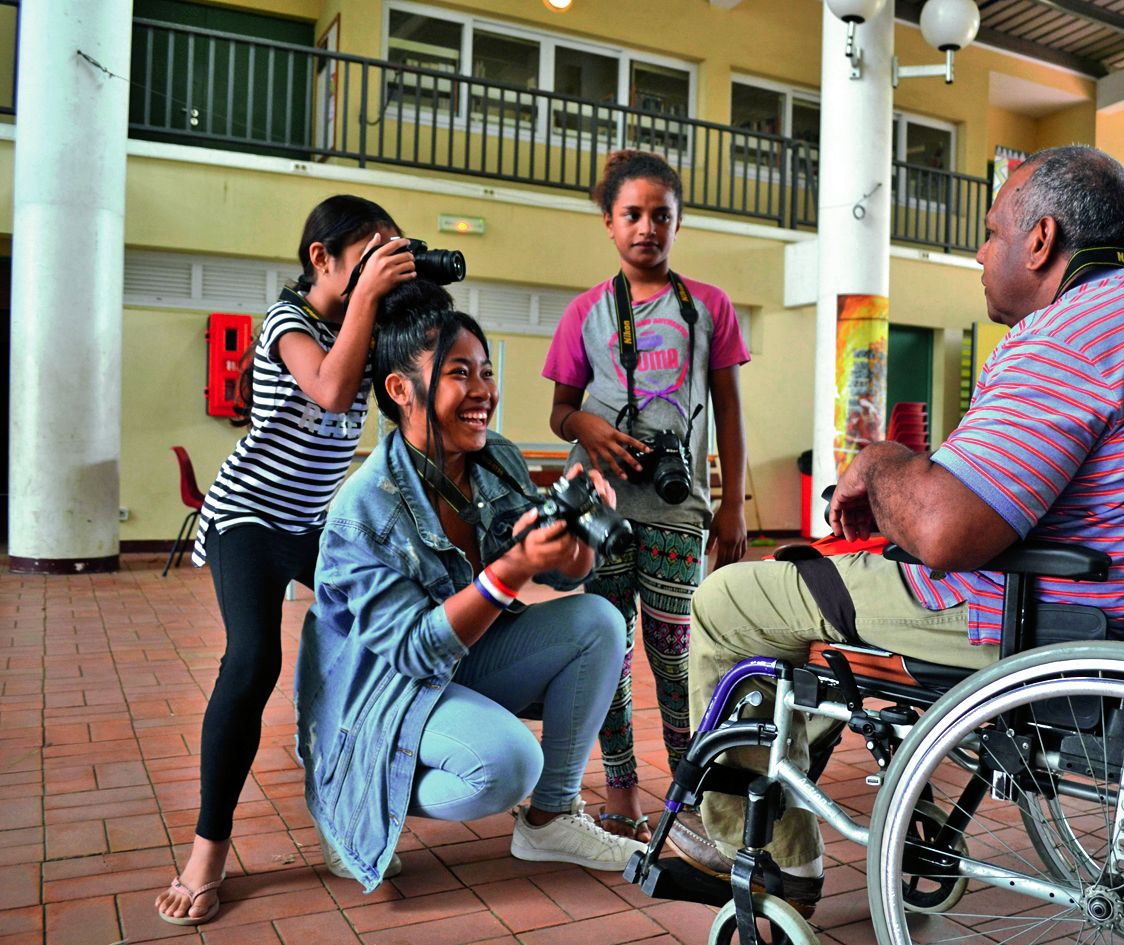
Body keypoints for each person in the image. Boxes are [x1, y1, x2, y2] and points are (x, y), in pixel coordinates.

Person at [665, 146, 1124, 917]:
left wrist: (883, 461)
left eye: (992, 231)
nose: (979, 249)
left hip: (1026, 614)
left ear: (1041, 240)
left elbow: (944, 531)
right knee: (817, 605)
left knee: (731, 600)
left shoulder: (1072, 335)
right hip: (1120, 607)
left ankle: (764, 855)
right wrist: (911, 481)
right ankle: (885, 804)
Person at [294, 285, 646, 894]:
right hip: (381, 692)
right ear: (401, 390)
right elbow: (414, 652)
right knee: (508, 765)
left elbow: (565, 575)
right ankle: (347, 789)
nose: (484, 390)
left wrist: (580, 538)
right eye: (461, 373)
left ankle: (551, 818)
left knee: (599, 622)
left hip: (456, 663)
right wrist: (509, 571)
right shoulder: (364, 510)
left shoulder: (495, 460)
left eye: (487, 371)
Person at [156, 195, 415, 926]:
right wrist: (368, 296)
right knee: (251, 662)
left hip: (312, 523)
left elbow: (403, 400)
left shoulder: (363, 326)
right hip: (245, 515)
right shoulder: (288, 321)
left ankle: (347, 809)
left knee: (381, 637)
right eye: (369, 254)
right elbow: (332, 390)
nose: (377, 270)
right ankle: (209, 847)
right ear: (322, 258)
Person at [542, 150, 751, 841]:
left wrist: (730, 503)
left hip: (674, 509)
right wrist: (588, 428)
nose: (646, 227)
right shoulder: (584, 312)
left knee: (674, 654)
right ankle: (622, 786)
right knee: (606, 650)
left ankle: (688, 788)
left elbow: (727, 409)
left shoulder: (709, 308)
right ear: (608, 222)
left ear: (678, 222)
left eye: (661, 214)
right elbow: (558, 411)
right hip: (597, 508)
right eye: (631, 214)